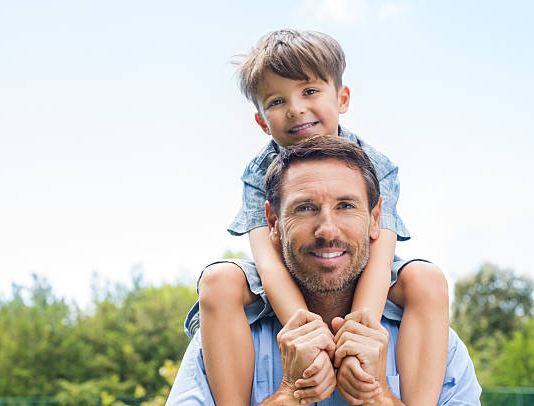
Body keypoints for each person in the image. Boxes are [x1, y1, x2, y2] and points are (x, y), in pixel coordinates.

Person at [186, 29, 449, 405]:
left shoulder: (378, 166)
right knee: (219, 280)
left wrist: (359, 334)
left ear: (341, 98)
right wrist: (309, 335)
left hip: (361, 271)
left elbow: (380, 252)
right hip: (288, 270)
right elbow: (268, 260)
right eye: (277, 100)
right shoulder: (257, 172)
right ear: (262, 121)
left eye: (309, 91)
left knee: (425, 278)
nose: (295, 109)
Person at [168, 136, 481, 405]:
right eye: (305, 208)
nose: (327, 230)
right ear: (273, 224)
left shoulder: (434, 340)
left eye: (346, 206)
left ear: (375, 220)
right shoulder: (225, 333)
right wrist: (289, 395)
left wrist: (379, 396)